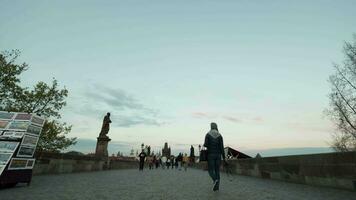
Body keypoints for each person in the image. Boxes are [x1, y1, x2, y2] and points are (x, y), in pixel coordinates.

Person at [203, 122, 227, 191]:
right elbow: (222, 147)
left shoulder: (208, 134)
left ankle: (215, 180)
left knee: (210, 170)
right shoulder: (220, 135)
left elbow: (205, 144)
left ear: (211, 126)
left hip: (210, 154)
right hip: (218, 155)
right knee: (217, 171)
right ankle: (217, 187)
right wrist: (224, 158)